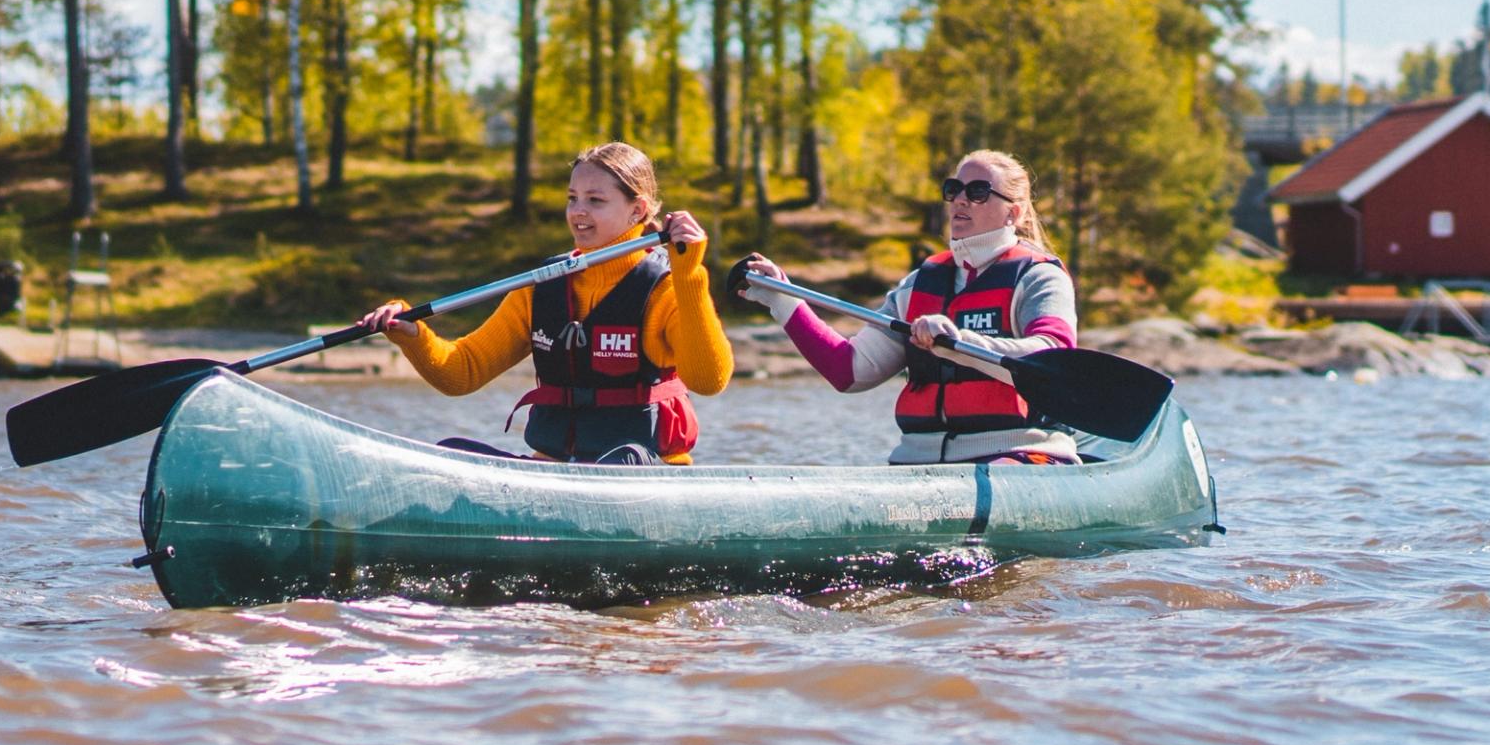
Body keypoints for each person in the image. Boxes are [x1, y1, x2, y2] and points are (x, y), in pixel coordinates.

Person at [368, 143, 734, 463]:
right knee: (451, 450)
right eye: (572, 198)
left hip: (639, 468)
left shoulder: (665, 288)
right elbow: (462, 373)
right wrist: (412, 335)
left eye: (595, 200)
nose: (578, 212)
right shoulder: (542, 286)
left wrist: (690, 275)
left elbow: (709, 380)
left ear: (637, 211)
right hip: (555, 468)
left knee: (625, 458)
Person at [742, 149, 1081, 464]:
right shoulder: (919, 284)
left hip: (1018, 455)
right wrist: (783, 301)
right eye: (953, 189)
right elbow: (849, 371)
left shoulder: (1038, 276)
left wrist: (958, 344)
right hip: (920, 461)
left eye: (977, 192)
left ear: (1014, 211)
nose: (961, 199)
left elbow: (1052, 360)